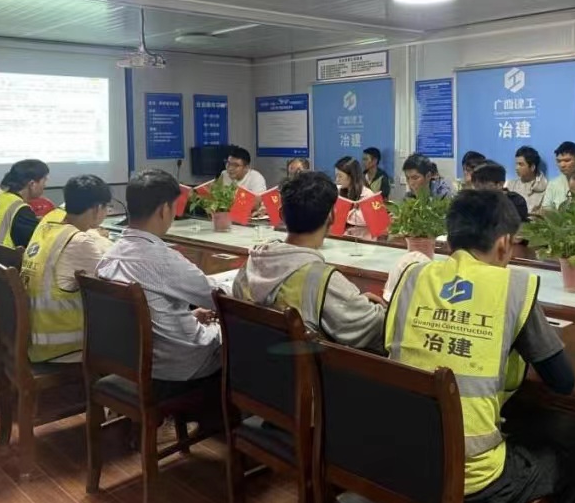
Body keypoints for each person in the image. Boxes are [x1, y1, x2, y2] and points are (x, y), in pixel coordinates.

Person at [385, 190, 574, 503]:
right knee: (566, 459)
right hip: (472, 478)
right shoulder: (513, 287)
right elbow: (563, 381)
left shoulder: (413, 276)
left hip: (406, 456)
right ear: (504, 243)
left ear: (450, 238)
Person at [97, 169, 231, 393]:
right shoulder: (163, 260)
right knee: (240, 335)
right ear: (164, 209)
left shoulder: (109, 256)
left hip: (134, 360)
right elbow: (219, 297)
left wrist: (188, 316)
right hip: (179, 367)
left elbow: (144, 313)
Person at [233, 171, 384, 349]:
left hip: (252, 361)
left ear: (282, 214)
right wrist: (363, 305)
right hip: (306, 365)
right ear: (332, 216)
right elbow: (375, 326)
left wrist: (348, 302)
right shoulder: (321, 279)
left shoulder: (251, 263)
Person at [20, 175, 113, 363]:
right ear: (97, 208)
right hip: (61, 345)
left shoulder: (48, 226)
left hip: (34, 334)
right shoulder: (79, 241)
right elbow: (113, 281)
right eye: (107, 208)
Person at [0, 160, 49, 255]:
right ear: (32, 184)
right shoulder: (20, 209)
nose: (45, 185)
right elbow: (37, 243)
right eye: (44, 180)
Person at [334, 156, 375, 231]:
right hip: (342, 234)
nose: (337, 180)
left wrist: (341, 213)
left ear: (352, 176)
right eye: (336, 176)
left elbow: (364, 219)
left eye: (340, 176)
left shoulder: (367, 194)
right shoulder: (338, 190)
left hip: (362, 235)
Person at [506, 146, 548, 215]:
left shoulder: (546, 187)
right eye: (516, 164)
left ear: (532, 167)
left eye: (521, 164)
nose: (516, 168)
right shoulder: (511, 185)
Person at [542, 142, 575, 210]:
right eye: (559, 161)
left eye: (567, 160)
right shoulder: (553, 184)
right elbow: (545, 209)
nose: (562, 165)